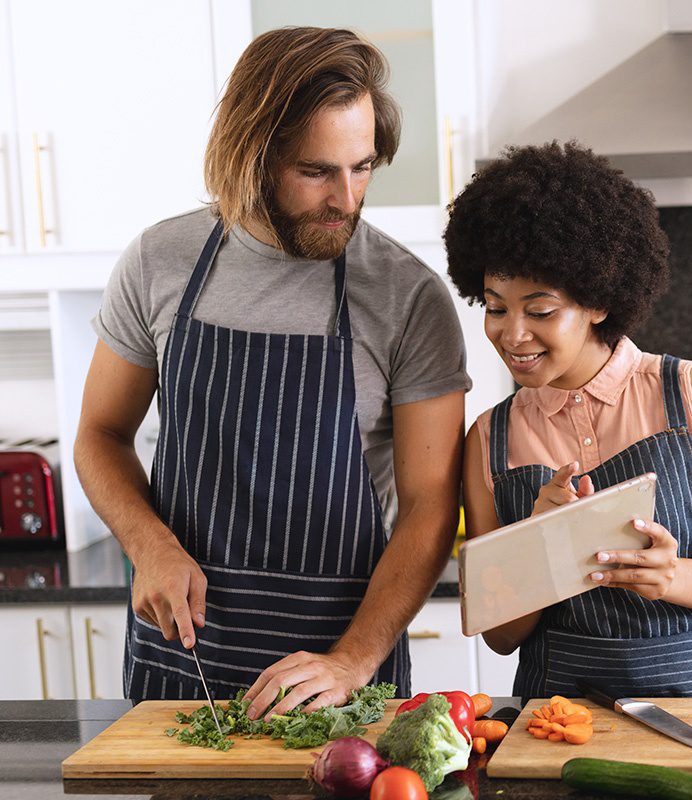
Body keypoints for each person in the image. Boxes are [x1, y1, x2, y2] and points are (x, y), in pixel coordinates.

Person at [74, 27, 468, 714]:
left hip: (338, 671)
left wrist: (352, 660)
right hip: (186, 662)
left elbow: (431, 505)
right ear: (251, 155)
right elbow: (100, 433)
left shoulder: (408, 297)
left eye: (363, 167)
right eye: (317, 171)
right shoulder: (159, 263)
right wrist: (149, 544)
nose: (346, 199)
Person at [445, 142, 692, 697]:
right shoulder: (488, 441)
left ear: (598, 301)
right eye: (496, 307)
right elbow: (500, 635)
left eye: (539, 311)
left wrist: (672, 576)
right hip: (558, 718)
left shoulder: (691, 395)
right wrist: (540, 541)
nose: (512, 334)